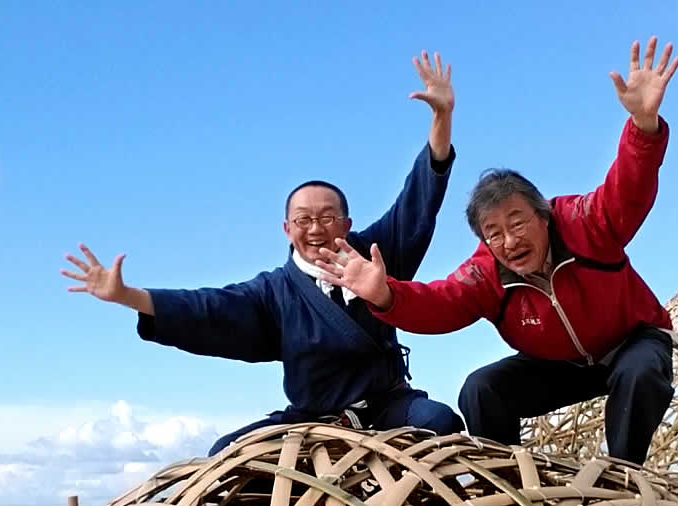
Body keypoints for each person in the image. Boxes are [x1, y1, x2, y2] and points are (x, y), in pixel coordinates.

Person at [61, 52, 465, 455]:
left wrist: (441, 117)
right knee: (228, 450)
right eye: (303, 220)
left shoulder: (375, 252)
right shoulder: (273, 293)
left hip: (389, 407)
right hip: (313, 419)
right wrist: (127, 295)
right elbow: (205, 308)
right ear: (287, 230)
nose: (316, 228)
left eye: (327, 217)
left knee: (440, 420)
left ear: (346, 224)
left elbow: (419, 199)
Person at [315, 37, 678, 465]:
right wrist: (385, 294)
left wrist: (642, 126)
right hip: (562, 364)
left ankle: (625, 477)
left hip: (632, 343)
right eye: (493, 233)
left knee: (640, 371)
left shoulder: (585, 222)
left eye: (518, 223)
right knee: (481, 388)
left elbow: (629, 190)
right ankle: (508, 485)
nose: (509, 241)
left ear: (544, 216)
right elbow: (439, 303)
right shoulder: (486, 274)